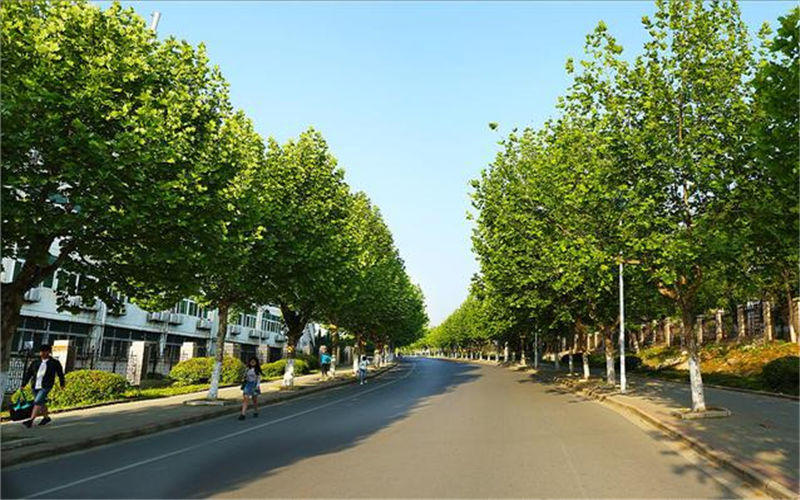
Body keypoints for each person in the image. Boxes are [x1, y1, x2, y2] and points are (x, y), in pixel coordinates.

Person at [20, 344, 65, 428]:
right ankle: (46, 418)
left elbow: (60, 374)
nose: (42, 353)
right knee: (41, 402)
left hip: (46, 385)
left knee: (37, 401)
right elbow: (29, 373)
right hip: (35, 385)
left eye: (44, 351)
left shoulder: (54, 363)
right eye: (41, 351)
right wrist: (24, 384)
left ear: (48, 352)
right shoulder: (35, 362)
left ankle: (31, 420)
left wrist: (62, 383)